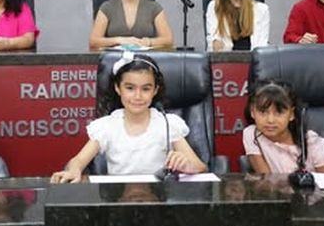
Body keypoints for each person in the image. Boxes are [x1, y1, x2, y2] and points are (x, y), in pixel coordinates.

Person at [50, 52, 207, 183]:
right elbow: (77, 161)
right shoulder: (107, 126)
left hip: (158, 201)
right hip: (118, 201)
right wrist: (74, 170)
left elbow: (201, 167)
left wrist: (188, 166)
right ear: (118, 88)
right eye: (130, 88)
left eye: (146, 89)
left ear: (155, 90)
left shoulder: (167, 124)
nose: (137, 96)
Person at [242, 79, 324, 174]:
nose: (270, 120)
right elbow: (266, 178)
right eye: (263, 112)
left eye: (279, 112)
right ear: (252, 112)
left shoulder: (313, 144)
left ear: (291, 114)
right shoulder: (252, 134)